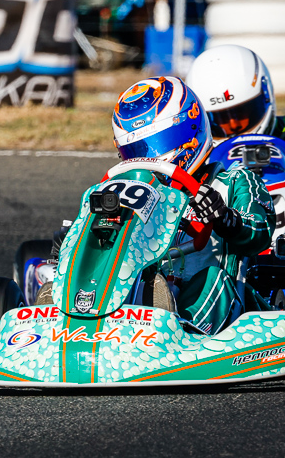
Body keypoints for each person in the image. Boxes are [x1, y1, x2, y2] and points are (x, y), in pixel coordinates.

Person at [112, 76, 274, 335]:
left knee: (211, 279)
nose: (151, 156)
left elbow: (260, 231)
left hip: (225, 303)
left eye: (159, 142)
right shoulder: (130, 193)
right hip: (141, 298)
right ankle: (75, 318)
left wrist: (225, 218)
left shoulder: (233, 181)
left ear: (189, 130)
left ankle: (181, 331)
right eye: (136, 150)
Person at [187, 44, 285, 212]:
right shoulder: (201, 154)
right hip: (228, 229)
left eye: (242, 115)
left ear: (265, 95)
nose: (234, 127)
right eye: (221, 121)